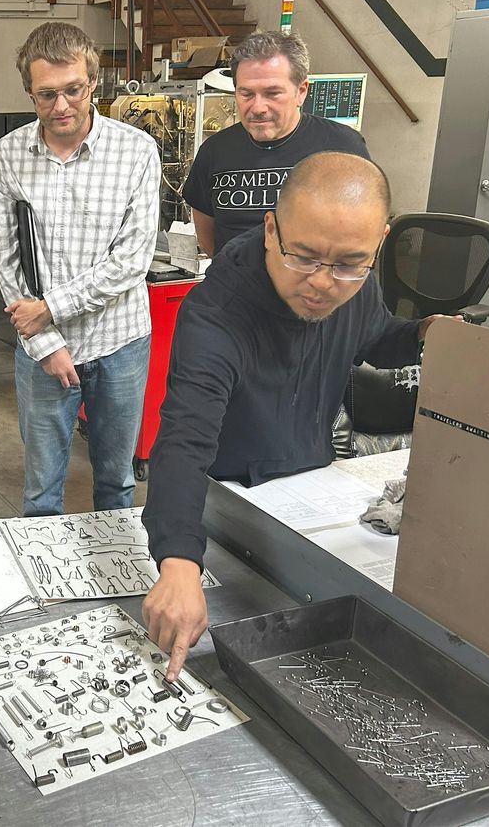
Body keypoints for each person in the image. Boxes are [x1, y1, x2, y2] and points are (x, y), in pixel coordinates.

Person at [141, 152, 453, 682]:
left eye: (349, 264)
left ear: (377, 242)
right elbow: (184, 441)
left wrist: (421, 334)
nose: (322, 283)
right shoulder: (216, 314)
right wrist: (177, 562)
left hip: (313, 486)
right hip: (232, 500)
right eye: (303, 257)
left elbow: (373, 336)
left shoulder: (357, 280)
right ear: (270, 229)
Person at [0, 22, 161, 516]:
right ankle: (50, 591)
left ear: (93, 84)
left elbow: (131, 259)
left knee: (117, 481)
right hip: (41, 350)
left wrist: (51, 309)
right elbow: (6, 256)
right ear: (29, 92)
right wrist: (45, 341)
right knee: (41, 490)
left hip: (120, 341)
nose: (61, 106)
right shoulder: (8, 157)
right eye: (46, 95)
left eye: (73, 90)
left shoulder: (136, 152)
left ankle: (117, 581)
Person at [183, 31, 370, 255]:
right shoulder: (215, 151)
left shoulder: (343, 147)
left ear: (301, 92)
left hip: (314, 287)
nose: (258, 107)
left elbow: (361, 234)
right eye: (246, 94)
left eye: (272, 93)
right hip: (236, 287)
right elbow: (207, 240)